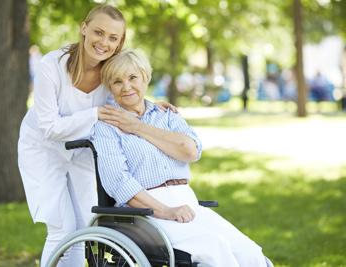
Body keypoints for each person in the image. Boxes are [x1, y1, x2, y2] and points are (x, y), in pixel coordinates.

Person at [17, 5, 176, 267]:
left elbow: (128, 94)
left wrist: (150, 106)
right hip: (42, 148)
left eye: (113, 38)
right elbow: (49, 127)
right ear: (84, 29)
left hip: (81, 149)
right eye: (98, 32)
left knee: (85, 226)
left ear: (119, 43)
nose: (104, 42)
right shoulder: (51, 66)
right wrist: (97, 114)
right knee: (61, 227)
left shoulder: (110, 72)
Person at [91, 49, 268, 267]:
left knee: (249, 252)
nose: (126, 87)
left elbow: (190, 151)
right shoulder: (107, 126)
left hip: (188, 204)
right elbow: (118, 182)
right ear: (110, 87)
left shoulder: (167, 116)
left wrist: (136, 126)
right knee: (216, 246)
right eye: (117, 81)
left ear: (145, 77)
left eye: (133, 77)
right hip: (146, 216)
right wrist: (167, 211)